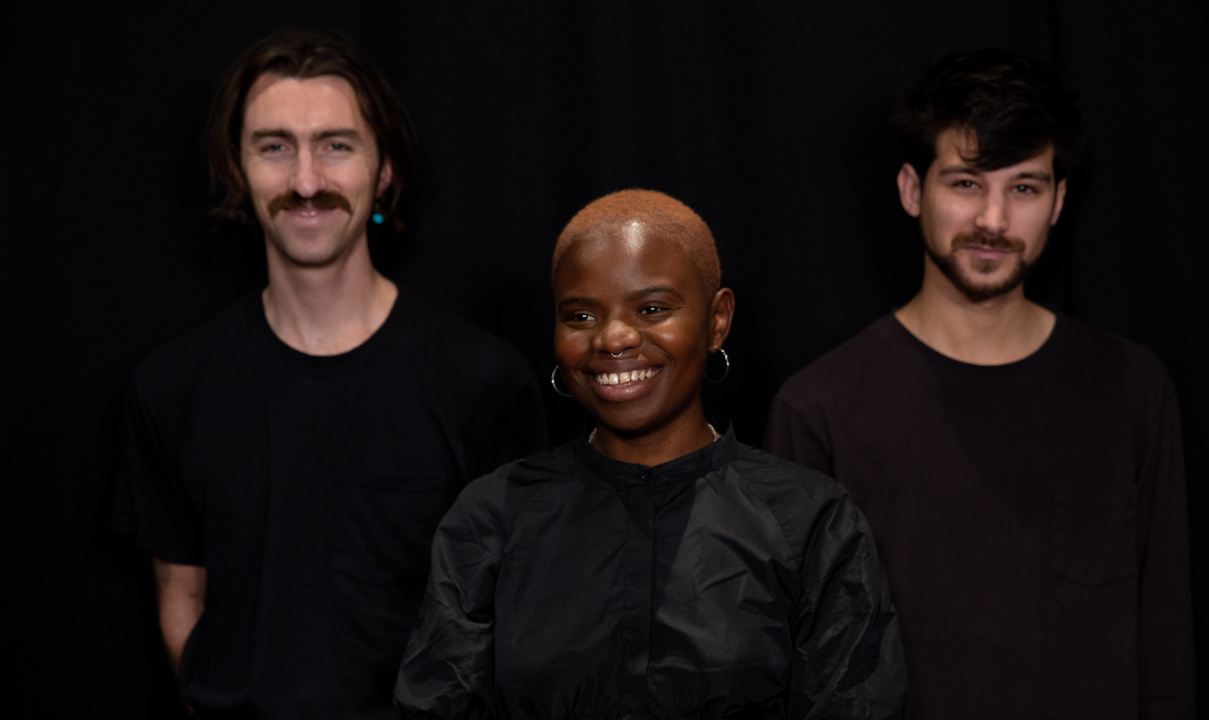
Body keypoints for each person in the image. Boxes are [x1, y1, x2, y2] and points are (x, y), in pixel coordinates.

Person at [111, 28, 546, 718]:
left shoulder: (483, 380)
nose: (305, 182)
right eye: (274, 147)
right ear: (237, 166)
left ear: (384, 169)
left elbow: (521, 611)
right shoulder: (171, 387)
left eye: (336, 145)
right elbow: (181, 599)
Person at [765, 49, 1194, 719]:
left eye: (1023, 187)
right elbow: (796, 665)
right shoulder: (819, 407)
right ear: (913, 190)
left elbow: (1164, 645)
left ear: (1058, 202)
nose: (993, 220)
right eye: (966, 182)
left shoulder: (1131, 388)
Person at [394, 189, 908, 719]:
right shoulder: (492, 520)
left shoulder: (811, 523)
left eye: (652, 308)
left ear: (717, 320)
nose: (613, 337)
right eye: (581, 315)